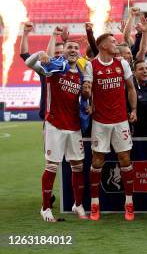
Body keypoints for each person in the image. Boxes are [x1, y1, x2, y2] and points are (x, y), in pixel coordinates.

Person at [25, 40, 88, 222]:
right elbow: (29, 63)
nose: (73, 50)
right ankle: (45, 208)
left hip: (74, 126)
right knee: (52, 167)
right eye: (70, 48)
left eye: (76, 48)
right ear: (64, 51)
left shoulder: (81, 75)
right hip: (54, 125)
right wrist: (39, 53)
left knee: (78, 167)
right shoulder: (54, 67)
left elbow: (82, 100)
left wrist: (87, 104)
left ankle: (77, 204)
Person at [83, 33, 138, 221]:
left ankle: (129, 203)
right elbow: (88, 89)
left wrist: (134, 109)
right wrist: (87, 97)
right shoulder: (91, 65)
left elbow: (131, 87)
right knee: (97, 161)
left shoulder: (121, 63)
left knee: (125, 159)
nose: (116, 44)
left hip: (121, 120)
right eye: (113, 41)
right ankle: (94, 204)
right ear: (103, 45)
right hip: (100, 122)